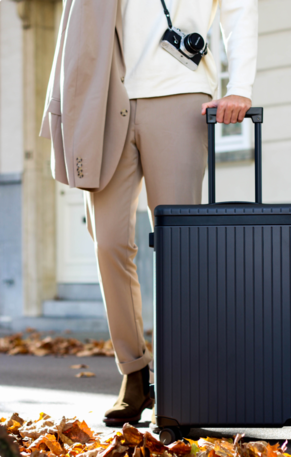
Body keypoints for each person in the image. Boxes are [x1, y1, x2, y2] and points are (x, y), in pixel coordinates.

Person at [40, 0, 258, 426]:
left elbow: (240, 10)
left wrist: (241, 85)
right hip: (105, 96)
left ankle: (183, 380)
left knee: (180, 248)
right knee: (108, 243)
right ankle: (135, 373)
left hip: (180, 98)